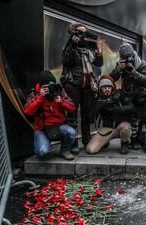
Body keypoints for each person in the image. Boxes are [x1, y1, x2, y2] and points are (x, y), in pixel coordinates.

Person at [61, 23, 103, 152]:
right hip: (73, 85)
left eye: (84, 32)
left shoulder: (89, 46)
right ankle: (72, 144)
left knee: (86, 115)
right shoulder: (70, 46)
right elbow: (66, 61)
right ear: (74, 33)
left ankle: (86, 141)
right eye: (79, 32)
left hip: (87, 86)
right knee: (72, 115)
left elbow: (99, 63)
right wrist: (73, 45)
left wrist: (99, 54)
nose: (82, 35)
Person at [24, 70, 77, 160]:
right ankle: (41, 144)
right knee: (42, 153)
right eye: (47, 86)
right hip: (42, 129)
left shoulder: (58, 91)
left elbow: (72, 107)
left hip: (58, 127)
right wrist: (40, 96)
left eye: (51, 84)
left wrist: (61, 102)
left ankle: (64, 150)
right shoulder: (34, 94)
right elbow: (28, 111)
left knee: (71, 132)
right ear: (41, 85)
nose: (50, 88)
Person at [111, 43, 146, 149]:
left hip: (139, 96)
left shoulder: (141, 64)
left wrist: (133, 72)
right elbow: (113, 78)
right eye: (124, 57)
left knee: (138, 120)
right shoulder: (121, 63)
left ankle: (135, 141)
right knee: (128, 120)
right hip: (126, 95)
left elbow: (145, 81)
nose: (127, 59)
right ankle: (126, 141)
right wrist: (118, 68)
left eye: (129, 57)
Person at [86, 76, 134, 154]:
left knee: (125, 128)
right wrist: (96, 107)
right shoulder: (98, 99)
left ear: (113, 87)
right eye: (104, 87)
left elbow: (132, 108)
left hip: (121, 127)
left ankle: (125, 143)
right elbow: (90, 119)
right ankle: (105, 142)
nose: (107, 89)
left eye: (109, 87)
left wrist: (116, 108)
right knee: (90, 149)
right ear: (100, 88)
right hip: (107, 129)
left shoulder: (120, 94)